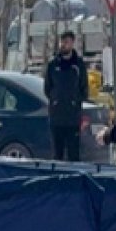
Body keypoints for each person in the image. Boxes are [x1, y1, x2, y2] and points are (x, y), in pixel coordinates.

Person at [44, 30, 88, 162]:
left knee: (74, 155)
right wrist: (55, 100)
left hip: (72, 119)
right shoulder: (53, 65)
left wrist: (75, 102)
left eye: (67, 42)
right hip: (56, 118)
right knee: (57, 156)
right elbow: (47, 88)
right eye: (62, 42)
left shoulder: (79, 65)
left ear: (72, 43)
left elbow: (84, 89)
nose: (64, 45)